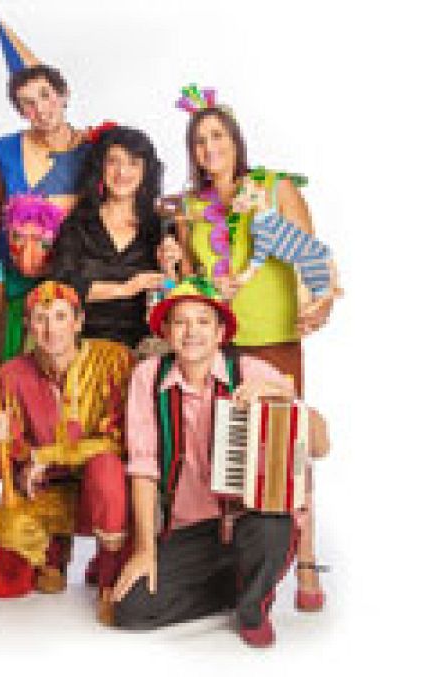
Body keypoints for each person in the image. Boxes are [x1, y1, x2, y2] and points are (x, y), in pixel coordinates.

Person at [170, 85, 335, 610]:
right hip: (220, 347)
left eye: (217, 136)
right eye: (199, 141)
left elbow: (313, 256)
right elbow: (193, 284)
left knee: (289, 448)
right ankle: (242, 559)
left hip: (275, 338)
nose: (209, 148)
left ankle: (305, 556)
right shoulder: (190, 208)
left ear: (236, 140)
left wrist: (320, 305)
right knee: (227, 451)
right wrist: (181, 270)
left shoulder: (274, 187)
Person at [111, 278, 330, 646]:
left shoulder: (251, 370)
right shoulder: (148, 377)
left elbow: (321, 446)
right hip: (192, 529)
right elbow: (144, 469)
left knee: (274, 525)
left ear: (220, 333)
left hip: (251, 522)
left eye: (203, 321)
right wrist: (145, 550)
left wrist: (283, 398)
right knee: (131, 610)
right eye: (181, 322)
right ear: (166, 332)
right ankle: (242, 585)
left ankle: (252, 607)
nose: (191, 332)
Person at [0, 281, 132, 607]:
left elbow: (118, 442)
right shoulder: (11, 375)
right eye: (41, 318)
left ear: (78, 322)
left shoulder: (113, 360)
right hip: (47, 492)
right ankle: (54, 550)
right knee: (13, 556)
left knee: (106, 468)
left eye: (61, 317)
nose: (51, 330)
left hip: (103, 493)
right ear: (28, 325)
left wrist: (48, 455)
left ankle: (109, 568)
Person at [0, 16, 93, 359]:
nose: (41, 109)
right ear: (20, 110)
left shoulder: (95, 150)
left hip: (69, 283)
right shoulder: (4, 149)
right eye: (28, 103)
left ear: (64, 95)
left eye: (46, 95)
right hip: (17, 280)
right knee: (15, 367)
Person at [52, 125, 174, 349]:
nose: (122, 172)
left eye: (133, 163)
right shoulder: (77, 223)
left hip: (144, 349)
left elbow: (172, 293)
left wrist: (168, 270)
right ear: (100, 167)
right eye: (113, 161)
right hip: (82, 346)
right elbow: (61, 287)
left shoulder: (160, 227)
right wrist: (126, 288)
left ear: (146, 171)